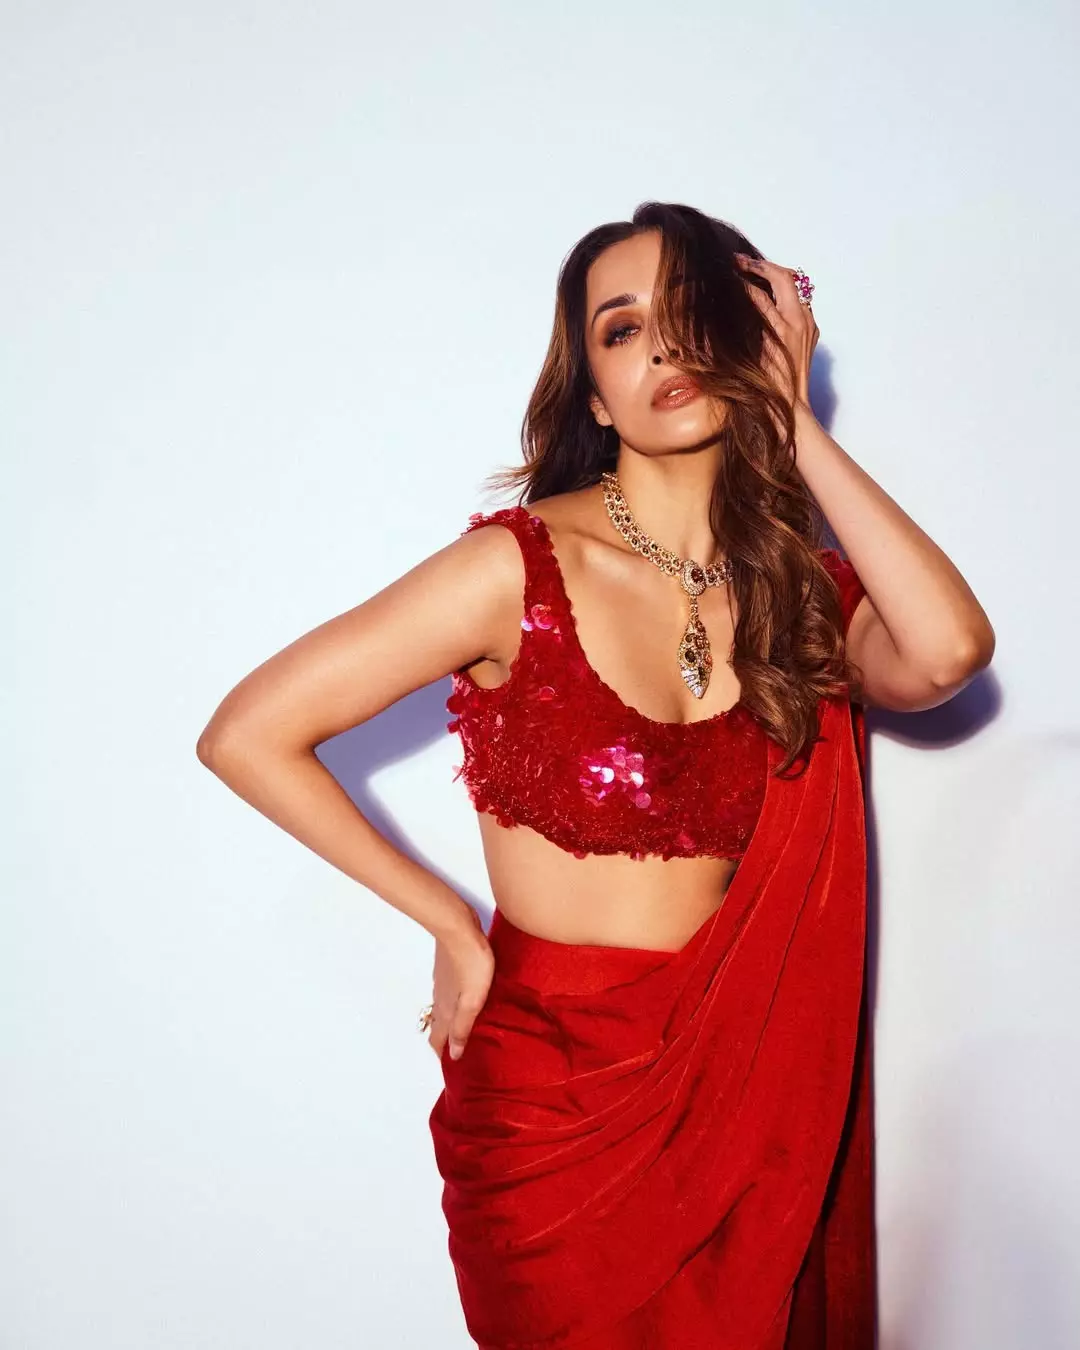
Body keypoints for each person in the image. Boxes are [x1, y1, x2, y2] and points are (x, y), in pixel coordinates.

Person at [196, 201, 995, 1349]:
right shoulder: (512, 570)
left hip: (747, 1104)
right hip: (552, 1115)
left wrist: (794, 421)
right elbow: (248, 732)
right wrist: (450, 923)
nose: (664, 349)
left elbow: (949, 653)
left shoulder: (803, 597)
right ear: (594, 394)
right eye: (623, 330)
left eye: (694, 316)